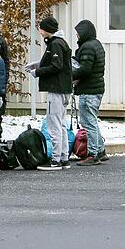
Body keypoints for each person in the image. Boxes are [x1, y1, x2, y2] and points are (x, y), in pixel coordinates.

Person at [26, 16, 72, 171]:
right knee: (61, 124)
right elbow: (56, 62)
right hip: (63, 89)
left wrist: (37, 72)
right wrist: (37, 64)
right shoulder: (59, 42)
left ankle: (56, 160)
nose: (39, 31)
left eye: (41, 28)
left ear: (46, 29)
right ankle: (64, 158)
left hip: (56, 89)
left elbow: (56, 66)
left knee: (54, 124)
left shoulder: (56, 44)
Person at [72, 19, 107, 166]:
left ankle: (93, 154)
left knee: (88, 122)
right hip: (97, 88)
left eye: (78, 33)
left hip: (89, 90)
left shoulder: (87, 47)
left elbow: (85, 69)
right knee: (92, 120)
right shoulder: (96, 44)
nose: (77, 36)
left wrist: (71, 75)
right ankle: (100, 150)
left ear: (84, 33)